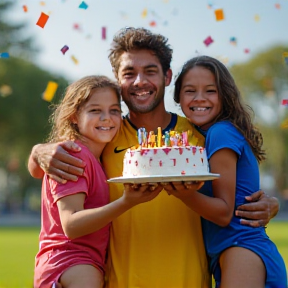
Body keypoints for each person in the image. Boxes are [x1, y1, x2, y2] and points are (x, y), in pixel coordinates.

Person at [28, 28, 280, 288]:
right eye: (129, 73)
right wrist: (38, 153)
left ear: (167, 76)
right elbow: (53, 170)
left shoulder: (200, 136)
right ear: (117, 79)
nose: (140, 81)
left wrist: (270, 203)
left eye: (150, 71)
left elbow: (237, 188)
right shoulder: (105, 137)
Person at [168, 55, 287, 288]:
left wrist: (180, 192)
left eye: (210, 91)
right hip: (235, 251)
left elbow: (223, 213)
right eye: (190, 91)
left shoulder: (221, 132)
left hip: (242, 250)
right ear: (178, 97)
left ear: (225, 94)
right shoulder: (210, 134)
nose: (200, 98)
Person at [33, 75, 162, 288]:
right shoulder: (74, 155)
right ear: (74, 116)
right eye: (95, 110)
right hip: (71, 263)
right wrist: (126, 202)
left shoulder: (95, 159)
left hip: (79, 264)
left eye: (114, 110)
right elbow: (71, 225)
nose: (106, 118)